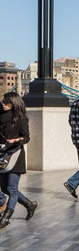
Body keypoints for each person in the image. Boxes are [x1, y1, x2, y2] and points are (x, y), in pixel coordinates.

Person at [0, 92, 37, 229]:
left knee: (11, 188)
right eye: (3, 101)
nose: (3, 104)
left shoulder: (21, 119)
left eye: (6, 102)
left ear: (14, 103)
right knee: (4, 188)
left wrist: (17, 140)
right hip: (3, 155)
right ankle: (29, 204)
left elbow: (26, 137)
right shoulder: (2, 117)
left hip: (15, 155)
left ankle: (6, 218)